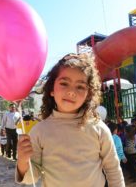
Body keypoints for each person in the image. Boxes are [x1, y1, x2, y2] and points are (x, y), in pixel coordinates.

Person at [16, 53, 125, 186]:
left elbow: (113, 169)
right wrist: (22, 162)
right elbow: (31, 178)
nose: (71, 92)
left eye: (80, 86)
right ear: (51, 89)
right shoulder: (39, 131)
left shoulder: (98, 128)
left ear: (88, 94)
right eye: (64, 83)